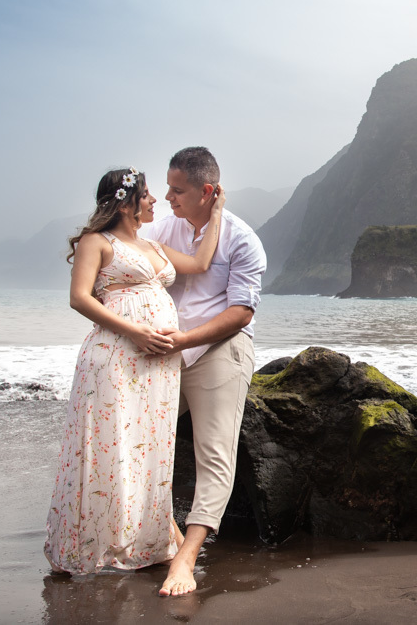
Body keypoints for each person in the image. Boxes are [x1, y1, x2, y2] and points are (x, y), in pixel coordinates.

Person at [44, 166, 225, 574]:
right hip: (115, 355)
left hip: (159, 364)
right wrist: (135, 332)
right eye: (147, 195)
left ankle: (144, 540)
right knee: (110, 445)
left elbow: (199, 262)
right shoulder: (97, 241)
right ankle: (87, 547)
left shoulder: (155, 248)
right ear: (126, 202)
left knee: (150, 448)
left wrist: (215, 215)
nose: (155, 201)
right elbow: (79, 298)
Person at [145, 147, 266, 597]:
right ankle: (169, 534)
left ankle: (186, 558)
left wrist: (185, 341)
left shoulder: (242, 239)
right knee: (137, 439)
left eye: (177, 190)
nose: (168, 196)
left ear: (208, 191)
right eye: (168, 187)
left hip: (220, 346)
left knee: (214, 454)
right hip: (168, 350)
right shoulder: (161, 228)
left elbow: (241, 313)